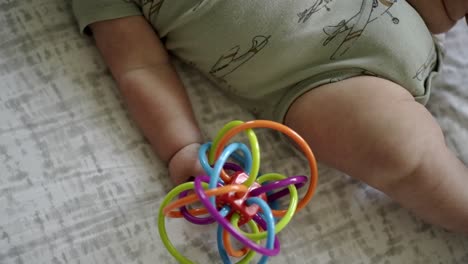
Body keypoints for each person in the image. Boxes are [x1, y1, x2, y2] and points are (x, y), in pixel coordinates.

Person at [72, 0, 468, 233]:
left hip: (399, 7)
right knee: (401, 156)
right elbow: (140, 68)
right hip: (325, 82)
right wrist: (181, 146)